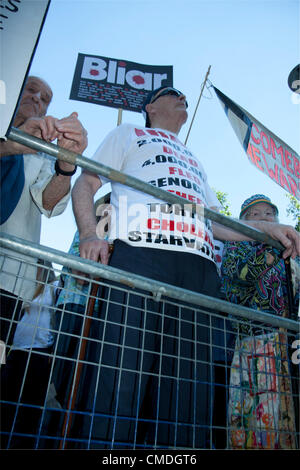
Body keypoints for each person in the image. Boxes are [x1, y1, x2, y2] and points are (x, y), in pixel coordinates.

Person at [70, 87, 300, 449]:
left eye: (185, 97)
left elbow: (218, 223)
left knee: (189, 391)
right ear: (150, 107)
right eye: (173, 94)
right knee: (119, 374)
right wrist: (88, 233)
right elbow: (86, 181)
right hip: (140, 254)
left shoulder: (194, 159)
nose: (183, 99)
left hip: (200, 271)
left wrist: (267, 229)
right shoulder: (127, 133)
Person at [0, 75, 88, 345]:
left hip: (8, 277)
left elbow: (49, 203)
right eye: (31, 90)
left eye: (45, 99)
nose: (37, 99)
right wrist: (11, 145)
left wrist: (66, 163)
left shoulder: (43, 151)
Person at [221, 194, 299, 449]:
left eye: (269, 213)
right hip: (255, 345)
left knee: (290, 417)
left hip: (290, 346)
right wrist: (269, 249)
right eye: (254, 215)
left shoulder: (292, 251)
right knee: (258, 420)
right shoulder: (237, 246)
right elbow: (236, 280)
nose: (264, 217)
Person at [1, 259, 60, 449]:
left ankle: (22, 444)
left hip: (39, 352)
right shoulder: (25, 290)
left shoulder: (53, 287)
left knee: (29, 407)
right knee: (6, 402)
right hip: (16, 351)